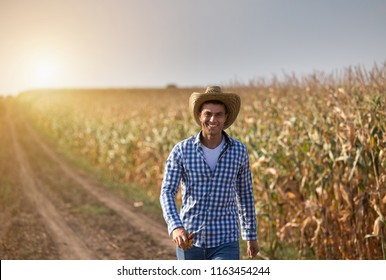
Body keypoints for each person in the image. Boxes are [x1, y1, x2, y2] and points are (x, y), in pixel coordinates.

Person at [160, 86, 259, 260]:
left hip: (226, 240)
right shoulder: (181, 151)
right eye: (208, 114)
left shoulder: (239, 151)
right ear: (199, 116)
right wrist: (176, 227)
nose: (213, 119)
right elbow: (167, 191)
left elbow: (245, 195)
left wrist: (250, 235)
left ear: (226, 117)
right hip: (190, 239)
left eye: (218, 114)